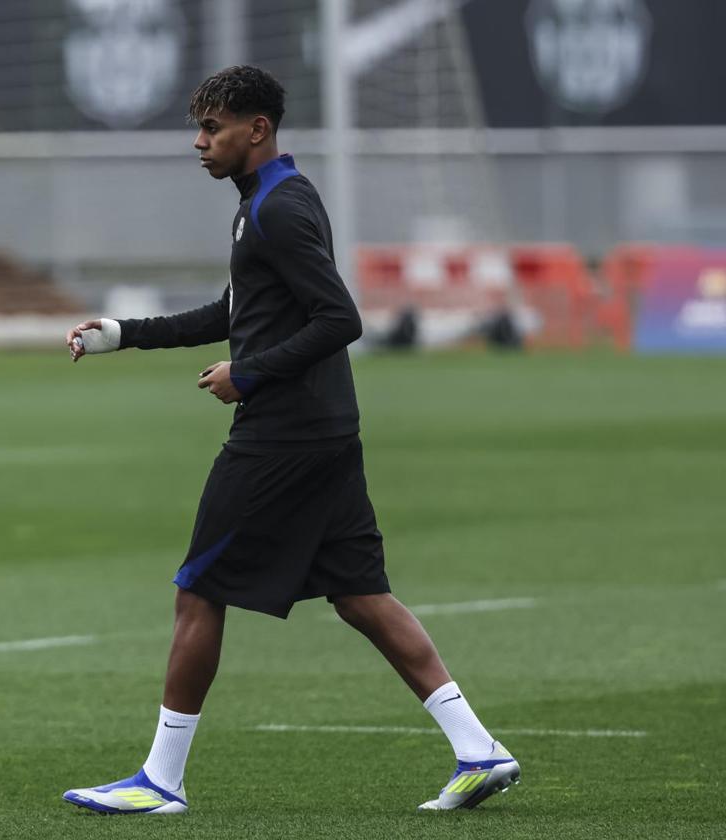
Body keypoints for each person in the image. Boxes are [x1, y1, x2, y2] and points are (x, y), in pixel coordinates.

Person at [60, 65, 520, 815]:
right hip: (324, 429)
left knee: (200, 589)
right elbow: (236, 310)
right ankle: (479, 748)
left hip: (284, 437)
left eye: (212, 129)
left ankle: (159, 782)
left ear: (258, 129)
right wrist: (124, 335)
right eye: (199, 129)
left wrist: (252, 375)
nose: (200, 143)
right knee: (361, 594)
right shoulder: (265, 203)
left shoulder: (279, 209)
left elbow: (341, 319)